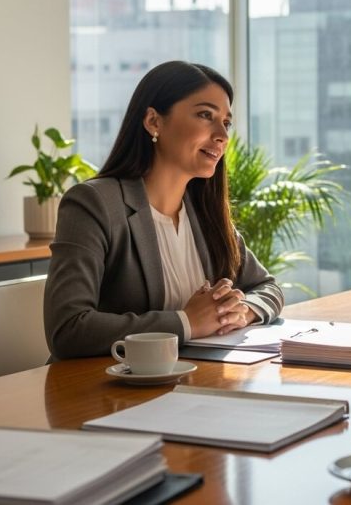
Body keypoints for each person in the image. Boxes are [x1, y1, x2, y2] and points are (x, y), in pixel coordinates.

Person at [44, 61, 284, 359]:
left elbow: (267, 287)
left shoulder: (205, 213)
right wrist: (186, 323)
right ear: (153, 122)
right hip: (105, 391)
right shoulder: (93, 204)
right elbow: (67, 329)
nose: (222, 134)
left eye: (226, 122)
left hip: (195, 385)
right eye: (205, 115)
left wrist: (243, 311)